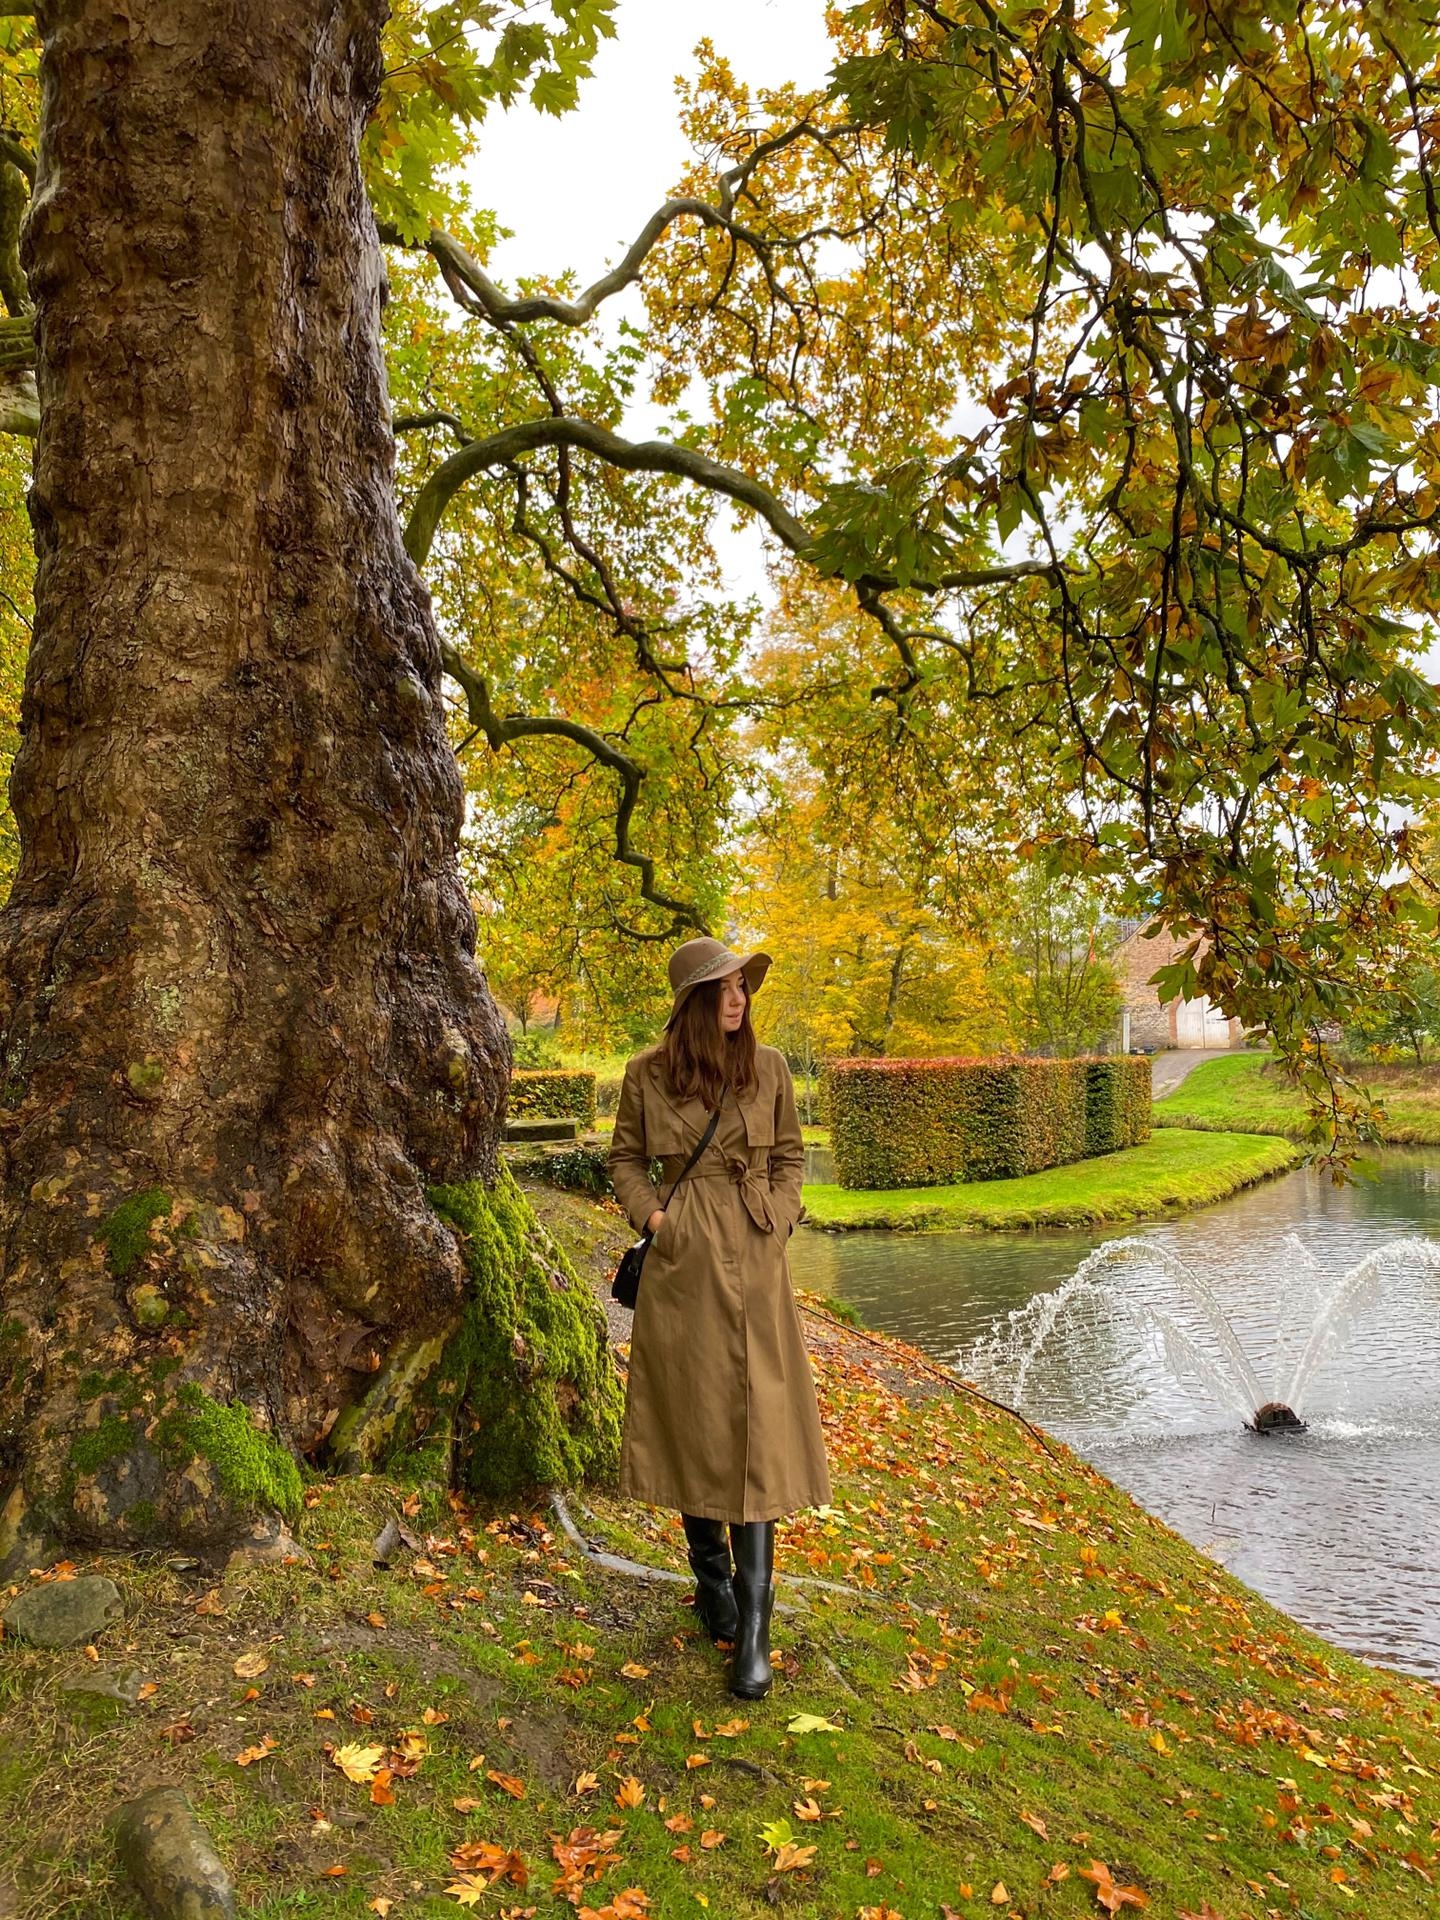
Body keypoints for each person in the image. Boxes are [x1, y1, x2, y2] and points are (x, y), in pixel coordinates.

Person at [607, 935, 832, 1698]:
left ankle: (756, 1632)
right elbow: (625, 1162)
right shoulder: (647, 1075)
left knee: (757, 1435)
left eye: (744, 987)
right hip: (685, 1270)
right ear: (695, 1002)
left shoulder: (768, 1070)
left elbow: (794, 1155)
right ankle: (714, 1588)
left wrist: (783, 1211)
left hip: (759, 1263)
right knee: (695, 1425)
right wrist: (658, 1223)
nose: (739, 1000)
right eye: (726, 989)